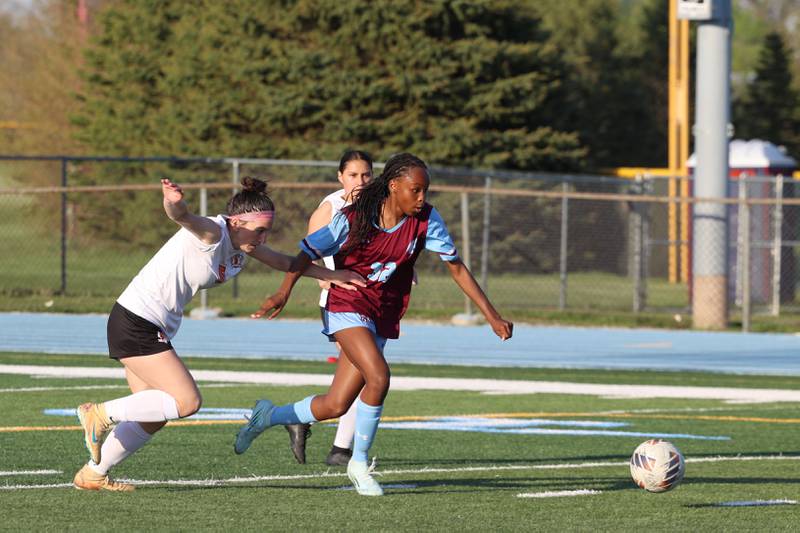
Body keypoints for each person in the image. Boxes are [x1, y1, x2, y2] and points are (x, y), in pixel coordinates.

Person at [235, 153, 513, 496]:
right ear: (394, 186)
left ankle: (269, 415)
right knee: (379, 376)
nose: (423, 197)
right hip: (348, 304)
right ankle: (358, 463)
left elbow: (455, 266)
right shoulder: (353, 217)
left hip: (383, 311)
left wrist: (491, 314)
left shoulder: (426, 218)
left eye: (425, 190)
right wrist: (283, 292)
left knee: (336, 404)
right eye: (416, 190)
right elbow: (306, 252)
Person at [72, 176, 364, 492]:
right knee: (187, 401)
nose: (264, 237)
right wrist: (173, 201)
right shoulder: (213, 232)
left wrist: (333, 275)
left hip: (150, 324)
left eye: (267, 229)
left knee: (153, 414)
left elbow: (286, 262)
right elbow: (182, 216)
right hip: (135, 320)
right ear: (236, 222)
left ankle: (93, 474)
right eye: (260, 230)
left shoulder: (244, 242)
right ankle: (98, 414)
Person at [254, 150, 374, 466]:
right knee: (366, 373)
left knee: (357, 378)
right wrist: (326, 277)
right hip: (343, 302)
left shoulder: (378, 205)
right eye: (353, 175)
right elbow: (308, 254)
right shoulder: (331, 208)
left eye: (366, 175)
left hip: (375, 301)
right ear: (340, 177)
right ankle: (341, 450)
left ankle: (305, 423)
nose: (360, 181)